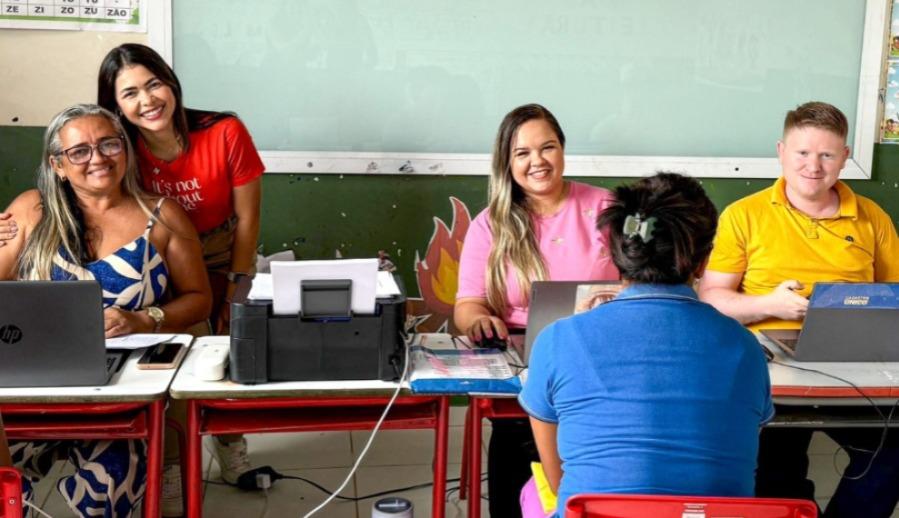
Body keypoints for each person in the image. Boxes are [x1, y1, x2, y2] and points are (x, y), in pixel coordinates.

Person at [518, 172, 773, 517]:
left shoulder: (558, 340)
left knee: (533, 492)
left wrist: (581, 330)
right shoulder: (745, 347)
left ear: (617, 253)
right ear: (703, 260)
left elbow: (558, 478)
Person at [0, 103, 211, 517]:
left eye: (108, 144)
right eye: (79, 151)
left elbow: (199, 298)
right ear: (58, 165)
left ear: (126, 151)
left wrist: (143, 318)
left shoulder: (162, 215)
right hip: (31, 384)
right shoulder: (31, 211)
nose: (97, 158)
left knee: (114, 477)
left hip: (122, 392)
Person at [699, 101, 899, 518]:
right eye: (802, 153)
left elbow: (895, 294)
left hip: (853, 369)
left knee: (892, 456)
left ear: (845, 157)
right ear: (781, 152)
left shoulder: (872, 218)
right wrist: (769, 304)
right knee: (777, 475)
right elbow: (711, 297)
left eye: (827, 154)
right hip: (767, 372)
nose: (814, 165)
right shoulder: (744, 216)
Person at [96, 43, 265, 510]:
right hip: (154, 256)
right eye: (130, 93)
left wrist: (238, 283)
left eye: (154, 84)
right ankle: (170, 466)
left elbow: (247, 221)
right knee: (164, 361)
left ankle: (231, 449)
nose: (147, 100)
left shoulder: (224, 131)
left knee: (226, 350)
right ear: (115, 106)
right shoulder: (117, 148)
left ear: (171, 83)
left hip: (219, 248)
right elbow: (75, 180)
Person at [454, 103, 619, 516]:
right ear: (506, 163)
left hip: (604, 354)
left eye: (547, 148)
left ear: (563, 150)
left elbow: (641, 283)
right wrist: (479, 321)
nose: (537, 162)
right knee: (515, 444)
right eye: (522, 153)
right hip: (521, 356)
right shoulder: (490, 223)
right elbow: (467, 304)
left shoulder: (607, 208)